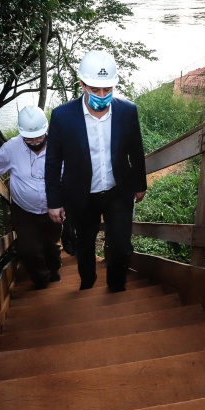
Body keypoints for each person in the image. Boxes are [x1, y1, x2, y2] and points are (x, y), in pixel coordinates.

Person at [45, 50, 147, 292]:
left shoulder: (127, 111)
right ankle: (87, 283)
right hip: (82, 195)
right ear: (82, 85)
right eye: (95, 90)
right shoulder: (62, 116)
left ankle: (116, 285)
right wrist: (54, 201)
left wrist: (139, 184)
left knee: (121, 246)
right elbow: (53, 161)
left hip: (117, 191)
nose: (102, 95)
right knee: (84, 243)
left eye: (107, 90)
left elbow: (136, 150)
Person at [0, 106, 61, 289]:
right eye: (29, 137)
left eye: (39, 136)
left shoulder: (59, 146)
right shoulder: (12, 148)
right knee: (28, 249)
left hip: (54, 207)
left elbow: (70, 176)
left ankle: (53, 270)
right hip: (24, 210)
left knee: (51, 245)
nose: (35, 141)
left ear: (47, 130)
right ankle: (40, 279)